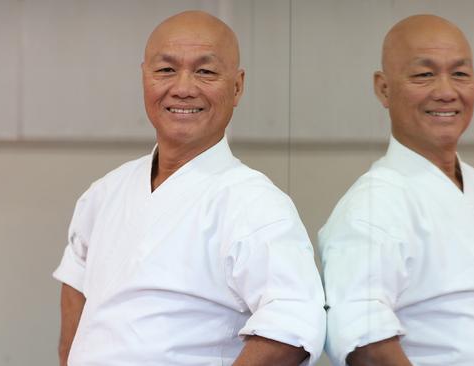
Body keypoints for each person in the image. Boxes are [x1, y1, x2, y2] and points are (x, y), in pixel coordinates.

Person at [53, 10, 325, 366]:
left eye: (205, 71)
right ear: (143, 78)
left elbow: (292, 326)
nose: (182, 88)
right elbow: (75, 290)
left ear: (237, 86)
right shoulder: (106, 192)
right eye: (166, 69)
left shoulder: (256, 203)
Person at [319, 14, 474, 366]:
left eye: (460, 74)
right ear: (383, 88)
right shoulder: (373, 205)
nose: (446, 92)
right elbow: (364, 343)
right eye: (424, 74)